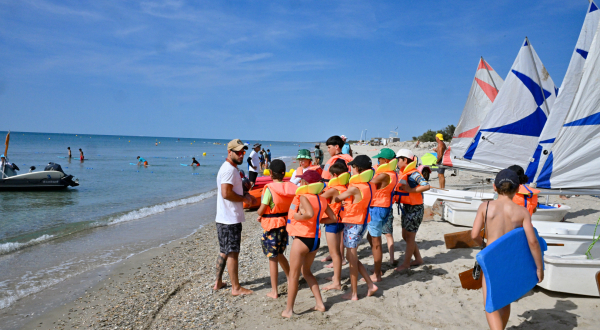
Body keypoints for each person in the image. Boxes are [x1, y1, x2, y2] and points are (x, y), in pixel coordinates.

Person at [471, 169, 544, 330]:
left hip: (491, 260)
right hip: (510, 260)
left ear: (494, 187)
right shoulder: (522, 212)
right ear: (518, 189)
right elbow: (533, 242)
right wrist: (539, 267)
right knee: (505, 299)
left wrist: (484, 246)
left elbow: (474, 234)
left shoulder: (486, 207)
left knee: (490, 302)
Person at [282, 170, 337, 318]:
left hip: (302, 239)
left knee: (293, 276)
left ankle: (288, 310)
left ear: (306, 183)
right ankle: (320, 304)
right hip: (315, 241)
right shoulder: (322, 199)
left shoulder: (303, 196)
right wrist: (318, 221)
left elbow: (309, 214)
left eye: (302, 181)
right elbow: (333, 218)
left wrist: (296, 216)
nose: (300, 183)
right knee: (306, 272)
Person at [214, 139, 256, 296]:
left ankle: (218, 282)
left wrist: (244, 193)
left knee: (225, 251)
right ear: (229, 152)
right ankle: (236, 288)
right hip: (229, 219)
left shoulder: (231, 168)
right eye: (238, 152)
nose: (241, 155)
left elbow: (230, 191)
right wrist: (244, 198)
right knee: (232, 253)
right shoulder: (228, 170)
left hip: (225, 218)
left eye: (243, 152)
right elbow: (226, 193)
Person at [333, 155, 379, 300]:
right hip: (362, 222)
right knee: (350, 256)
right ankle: (370, 284)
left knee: (351, 259)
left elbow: (337, 198)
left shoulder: (355, 188)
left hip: (354, 224)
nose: (351, 169)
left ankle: (354, 293)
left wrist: (335, 188)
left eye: (352, 167)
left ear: (357, 169)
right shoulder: (370, 185)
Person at [256, 159, 294, 299]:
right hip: (284, 224)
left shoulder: (270, 189)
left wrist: (259, 213)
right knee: (279, 253)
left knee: (272, 257)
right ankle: (290, 278)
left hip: (272, 227)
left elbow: (261, 210)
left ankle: (274, 290)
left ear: (270, 173)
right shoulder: (291, 187)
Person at [394, 149, 430, 273]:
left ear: (405, 160)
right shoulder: (403, 172)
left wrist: (410, 190)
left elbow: (426, 185)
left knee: (410, 237)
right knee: (405, 236)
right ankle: (418, 259)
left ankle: (406, 264)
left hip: (415, 209)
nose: (397, 162)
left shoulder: (414, 174)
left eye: (398, 160)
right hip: (407, 208)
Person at [366, 148, 399, 282]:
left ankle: (377, 274)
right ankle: (377, 262)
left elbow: (367, 185)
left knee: (376, 242)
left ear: (385, 160)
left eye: (379, 159)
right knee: (371, 237)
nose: (377, 162)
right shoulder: (393, 173)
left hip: (377, 208)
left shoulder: (384, 174)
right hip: (385, 207)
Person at [319, 162, 352, 291]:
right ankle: (336, 277)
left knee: (334, 254)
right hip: (341, 222)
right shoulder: (346, 187)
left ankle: (337, 282)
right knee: (338, 252)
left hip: (332, 224)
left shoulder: (333, 189)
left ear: (334, 175)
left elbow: (318, 200)